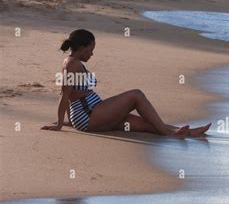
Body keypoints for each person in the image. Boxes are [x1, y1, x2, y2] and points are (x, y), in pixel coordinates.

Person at [41, 29, 211, 137]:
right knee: (136, 95)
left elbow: (73, 96)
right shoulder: (72, 64)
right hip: (89, 116)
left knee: (145, 124)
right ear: (82, 47)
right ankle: (169, 132)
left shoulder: (73, 62)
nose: (92, 54)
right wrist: (59, 124)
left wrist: (67, 120)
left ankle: (185, 132)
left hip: (94, 114)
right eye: (91, 49)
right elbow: (65, 94)